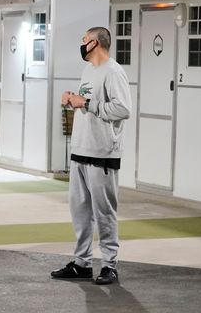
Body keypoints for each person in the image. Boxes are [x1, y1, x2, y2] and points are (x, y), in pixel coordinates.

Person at [52, 27, 132, 285]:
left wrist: (85, 103)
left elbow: (122, 109)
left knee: (104, 212)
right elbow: (84, 102)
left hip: (102, 153)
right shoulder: (89, 70)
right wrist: (71, 99)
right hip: (80, 150)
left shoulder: (113, 71)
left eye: (84, 40)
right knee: (80, 211)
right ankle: (82, 263)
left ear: (94, 43)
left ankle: (109, 265)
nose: (81, 43)